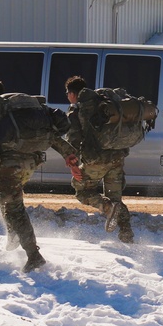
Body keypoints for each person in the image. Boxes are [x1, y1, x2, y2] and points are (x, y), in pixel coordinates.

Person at [0, 78, 82, 273]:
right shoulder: (20, 110)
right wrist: (70, 156)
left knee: (14, 207)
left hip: (10, 165)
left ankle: (34, 256)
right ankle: (13, 233)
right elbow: (51, 136)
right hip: (30, 163)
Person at [64, 76, 131, 242]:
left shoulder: (77, 111)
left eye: (67, 93)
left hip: (96, 160)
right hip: (117, 157)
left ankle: (108, 209)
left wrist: (73, 165)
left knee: (82, 191)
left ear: (72, 94)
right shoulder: (105, 106)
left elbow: (73, 142)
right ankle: (126, 234)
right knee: (116, 198)